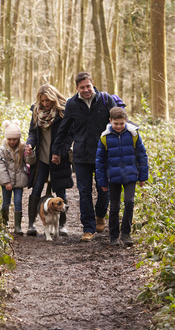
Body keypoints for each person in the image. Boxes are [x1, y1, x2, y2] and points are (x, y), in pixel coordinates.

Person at [51, 72, 119, 242]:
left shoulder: (105, 100)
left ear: (92, 84)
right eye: (82, 87)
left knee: (104, 187)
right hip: (81, 154)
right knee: (84, 191)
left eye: (88, 86)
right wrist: (56, 150)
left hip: (103, 153)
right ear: (77, 88)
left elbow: (119, 121)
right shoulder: (72, 104)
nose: (86, 90)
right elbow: (64, 128)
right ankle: (88, 228)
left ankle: (101, 214)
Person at [95, 107, 149, 247]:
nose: (118, 126)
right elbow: (100, 161)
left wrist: (143, 176)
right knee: (114, 206)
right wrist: (102, 181)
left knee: (129, 202)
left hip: (130, 174)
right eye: (115, 124)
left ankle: (126, 233)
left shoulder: (133, 134)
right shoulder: (105, 137)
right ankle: (114, 235)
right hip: (113, 177)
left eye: (121, 123)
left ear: (126, 120)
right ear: (110, 121)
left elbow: (142, 155)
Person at [25, 84, 74, 237]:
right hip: (41, 158)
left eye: (48, 100)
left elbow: (69, 136)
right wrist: (29, 144)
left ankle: (62, 225)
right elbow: (33, 133)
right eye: (43, 101)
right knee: (36, 188)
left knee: (60, 190)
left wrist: (60, 152)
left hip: (59, 157)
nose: (46, 104)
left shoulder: (63, 113)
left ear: (54, 98)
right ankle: (31, 224)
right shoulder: (36, 112)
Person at [0, 120, 35, 235]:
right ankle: (5, 223)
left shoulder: (23, 148)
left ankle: (17, 226)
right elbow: (1, 167)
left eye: (15, 139)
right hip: (6, 181)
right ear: (6, 139)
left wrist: (30, 154)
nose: (12, 142)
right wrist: (6, 182)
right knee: (6, 202)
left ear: (19, 138)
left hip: (19, 180)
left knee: (18, 201)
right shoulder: (3, 150)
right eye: (10, 139)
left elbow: (30, 162)